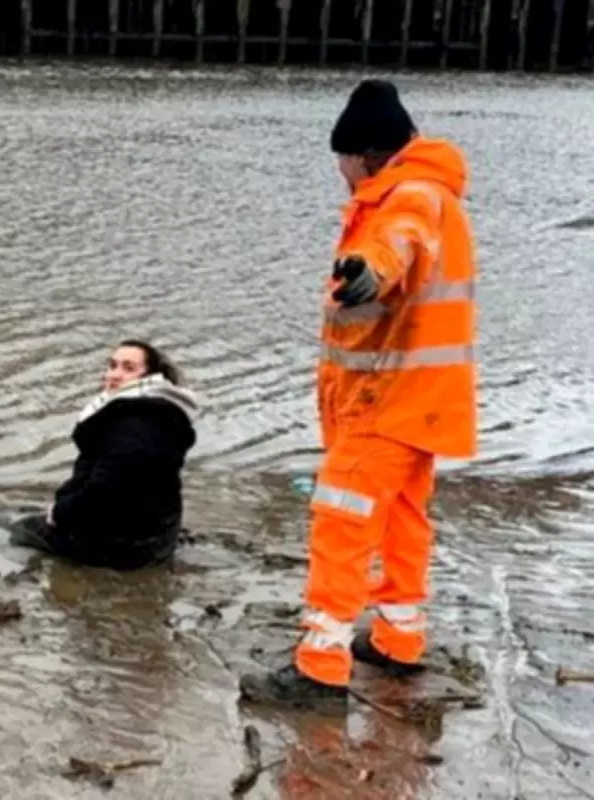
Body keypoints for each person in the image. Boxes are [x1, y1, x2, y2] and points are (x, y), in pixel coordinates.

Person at [239, 79, 478, 712]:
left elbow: (396, 246)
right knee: (402, 519)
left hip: (386, 398)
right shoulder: (428, 192)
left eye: (342, 161)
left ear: (364, 154)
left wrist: (369, 271)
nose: (340, 174)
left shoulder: (408, 197)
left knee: (340, 523)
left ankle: (320, 669)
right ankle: (399, 639)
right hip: (419, 399)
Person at [9, 339, 200, 570]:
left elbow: (102, 491)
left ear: (150, 376)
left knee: (17, 531)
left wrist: (59, 513)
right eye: (112, 365)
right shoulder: (162, 413)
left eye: (128, 368)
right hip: (158, 531)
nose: (114, 374)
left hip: (126, 548)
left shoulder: (136, 426)